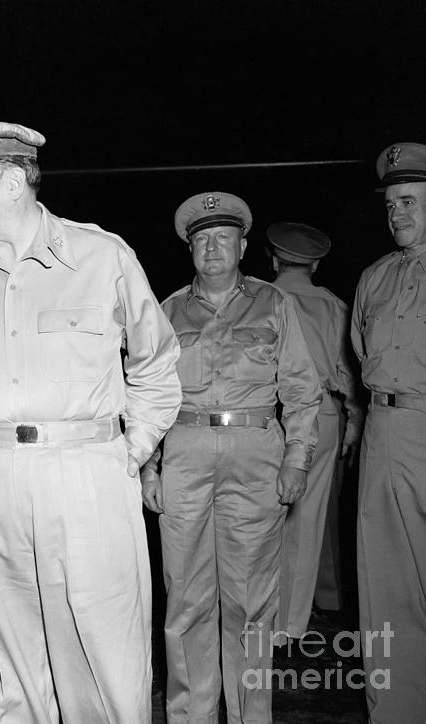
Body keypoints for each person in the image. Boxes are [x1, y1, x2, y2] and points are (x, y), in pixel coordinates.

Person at [0, 113, 182, 723]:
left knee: (99, 657)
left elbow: (156, 362)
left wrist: (131, 449)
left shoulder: (102, 257)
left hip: (84, 476)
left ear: (11, 181)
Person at [141, 192, 320, 724]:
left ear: (243, 245)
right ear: (190, 249)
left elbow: (303, 391)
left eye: (222, 237)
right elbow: (149, 395)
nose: (212, 248)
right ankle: (190, 715)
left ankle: (250, 716)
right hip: (186, 457)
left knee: (249, 602)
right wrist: (149, 467)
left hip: (256, 458)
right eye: (201, 239)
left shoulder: (275, 304)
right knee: (186, 601)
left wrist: (296, 461)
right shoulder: (167, 310)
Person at [352, 142, 426, 723]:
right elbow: (360, 357)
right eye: (391, 204)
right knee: (384, 584)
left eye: (409, 200)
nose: (396, 213)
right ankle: (395, 711)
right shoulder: (374, 278)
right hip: (383, 430)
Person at [267, 223, 363, 641]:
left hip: (266, 414)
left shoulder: (261, 298)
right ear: (316, 263)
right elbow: (350, 376)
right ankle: (289, 626)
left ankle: (258, 615)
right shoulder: (335, 306)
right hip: (322, 413)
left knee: (259, 519)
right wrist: (353, 424)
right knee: (308, 523)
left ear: (272, 259)